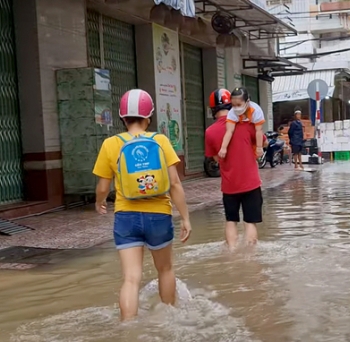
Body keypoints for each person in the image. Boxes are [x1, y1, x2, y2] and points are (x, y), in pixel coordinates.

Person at [92, 89, 192, 321]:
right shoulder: (160, 141)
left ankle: (128, 327)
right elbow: (175, 184)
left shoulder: (110, 144)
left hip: (126, 217)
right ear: (149, 117)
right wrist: (185, 217)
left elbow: (102, 187)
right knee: (165, 270)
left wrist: (99, 203)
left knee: (130, 278)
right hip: (159, 215)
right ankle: (169, 318)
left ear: (122, 117)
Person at [205, 88, 265, 250]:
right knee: (250, 222)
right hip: (251, 183)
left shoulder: (209, 132)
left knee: (231, 220)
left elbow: (216, 158)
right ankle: (250, 257)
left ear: (212, 110)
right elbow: (264, 143)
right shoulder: (246, 124)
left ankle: (231, 253)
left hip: (229, 186)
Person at [217, 87, 265, 159]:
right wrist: (223, 148)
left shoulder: (256, 111)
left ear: (247, 101)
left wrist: (259, 147)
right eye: (233, 105)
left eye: (239, 105)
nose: (236, 108)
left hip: (253, 134)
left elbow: (259, 130)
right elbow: (229, 131)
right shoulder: (232, 113)